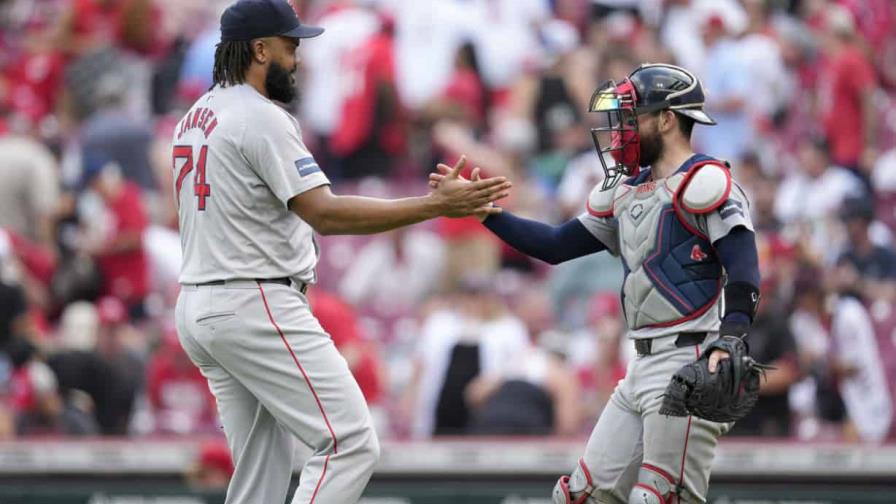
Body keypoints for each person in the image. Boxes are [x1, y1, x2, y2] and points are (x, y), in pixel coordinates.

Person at [172, 1, 510, 503]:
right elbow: (324, 214)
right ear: (259, 49)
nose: (299, 59)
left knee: (259, 469)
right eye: (290, 47)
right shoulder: (261, 117)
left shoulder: (193, 117)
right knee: (349, 441)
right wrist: (433, 205)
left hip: (201, 303)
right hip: (254, 300)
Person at [431, 63, 761, 503]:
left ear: (666, 119)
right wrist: (486, 211)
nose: (619, 131)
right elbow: (553, 244)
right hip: (641, 361)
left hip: (690, 356)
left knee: (659, 496)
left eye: (631, 117)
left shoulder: (706, 182)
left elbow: (744, 268)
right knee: (582, 496)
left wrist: (731, 337)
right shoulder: (626, 191)